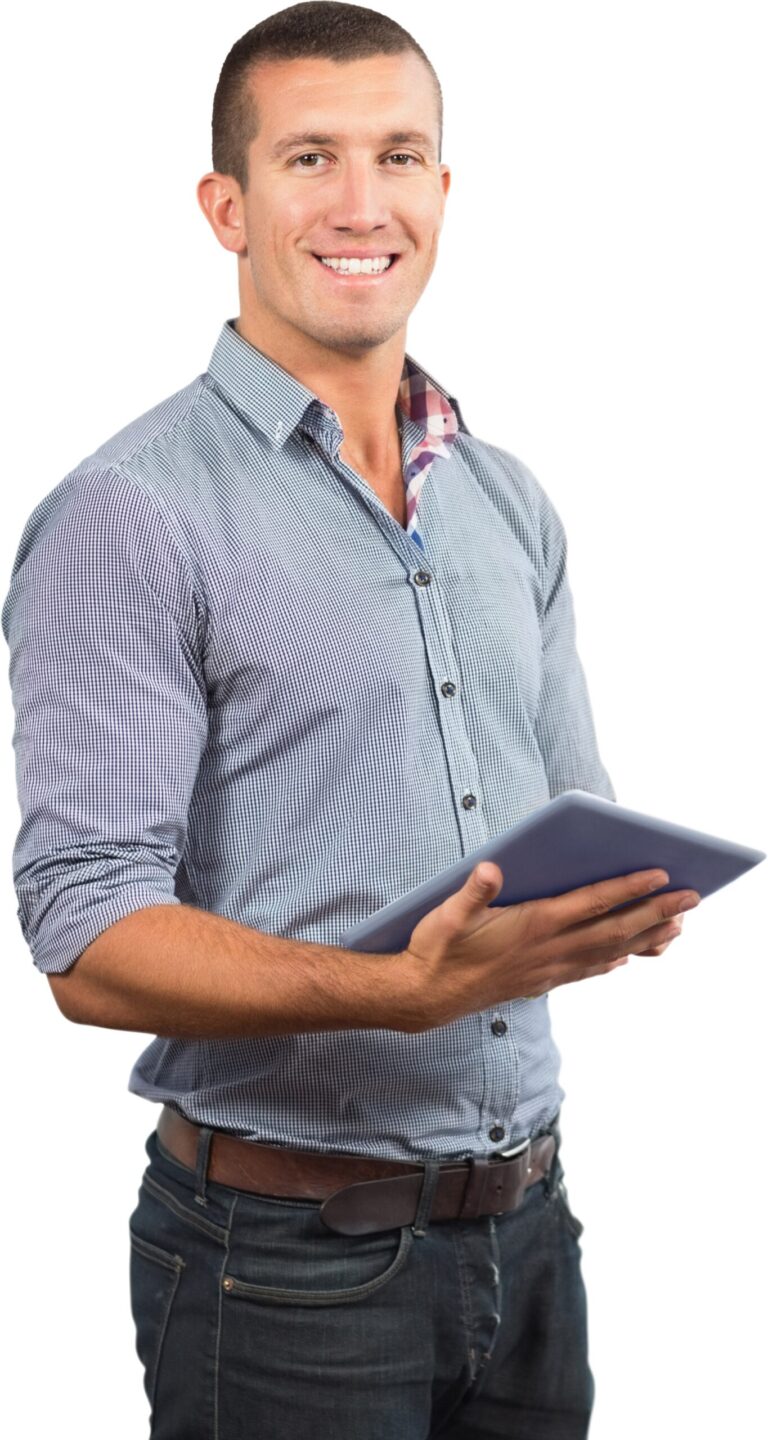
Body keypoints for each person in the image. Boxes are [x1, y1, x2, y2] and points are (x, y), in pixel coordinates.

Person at [1, 4, 700, 1437]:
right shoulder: (130, 518)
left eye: (399, 156)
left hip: (531, 1234)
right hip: (282, 1272)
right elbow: (85, 934)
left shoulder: (505, 501)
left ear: (445, 189)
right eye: (311, 157)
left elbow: (563, 819)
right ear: (227, 206)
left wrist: (613, 904)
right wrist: (398, 990)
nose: (362, 204)